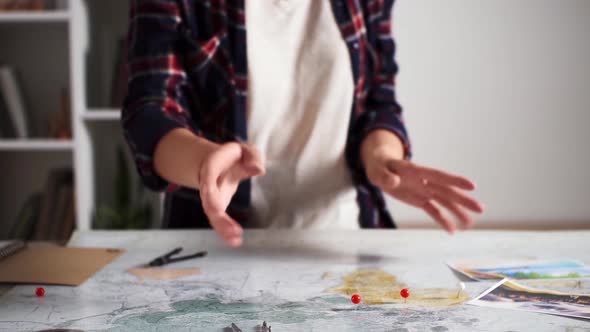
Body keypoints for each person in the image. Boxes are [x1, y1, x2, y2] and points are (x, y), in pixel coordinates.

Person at [122, 0, 484, 247]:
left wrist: (383, 158)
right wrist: (205, 163)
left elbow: (379, 99)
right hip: (216, 249)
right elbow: (151, 109)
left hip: (347, 243)